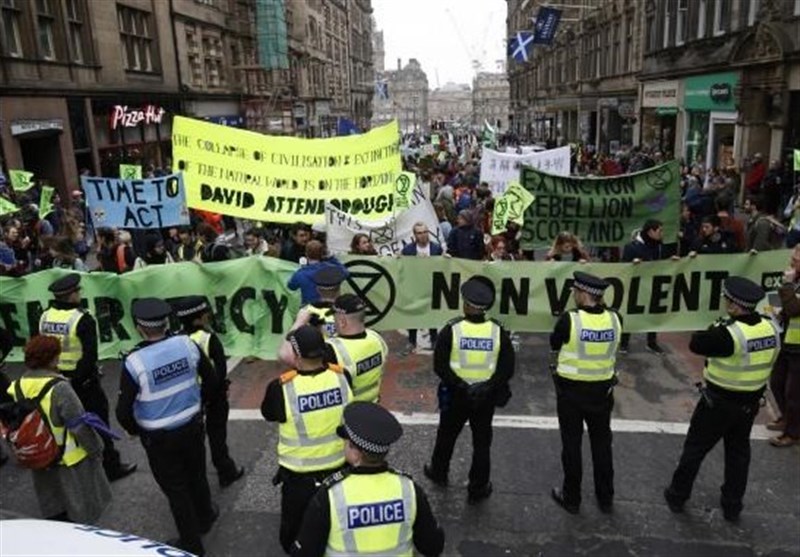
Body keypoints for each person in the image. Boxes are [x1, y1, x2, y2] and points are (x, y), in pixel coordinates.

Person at [663, 277, 780, 522]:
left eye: (727, 299)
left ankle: (677, 495)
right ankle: (732, 505)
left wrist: (714, 326)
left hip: (718, 402)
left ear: (735, 306)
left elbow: (696, 343)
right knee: (738, 454)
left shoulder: (728, 333)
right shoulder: (771, 327)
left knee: (695, 450)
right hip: (749, 403)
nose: (725, 302)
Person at [116, 298, 220, 555]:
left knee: (176, 489)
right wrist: (200, 404)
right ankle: (205, 516)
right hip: (192, 425)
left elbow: (122, 411)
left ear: (139, 328)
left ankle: (192, 543)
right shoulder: (188, 344)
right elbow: (212, 380)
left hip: (159, 438)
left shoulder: (134, 362)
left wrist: (135, 430)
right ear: (166, 322)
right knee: (196, 473)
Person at [291, 401, 445, 557]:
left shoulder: (330, 495)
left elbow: (304, 553)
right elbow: (433, 546)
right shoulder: (409, 490)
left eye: (346, 441)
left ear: (356, 452)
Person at [261, 325, 353, 554]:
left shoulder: (281, 387)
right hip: (339, 470)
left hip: (299, 477)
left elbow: (269, 414)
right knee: (335, 524)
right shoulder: (342, 376)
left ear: (296, 354)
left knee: (294, 532)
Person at [423, 277, 515, 503]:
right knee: (482, 443)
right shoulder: (497, 331)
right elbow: (507, 368)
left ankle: (439, 472)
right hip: (485, 398)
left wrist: (461, 385)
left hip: (456, 396)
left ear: (466, 304)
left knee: (446, 436)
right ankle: (478, 487)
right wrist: (487, 387)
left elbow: (440, 366)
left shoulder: (452, 329)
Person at [39, 273, 136, 482]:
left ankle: (83, 467)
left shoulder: (45, 316)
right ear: (71, 295)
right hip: (83, 383)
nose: (80, 294)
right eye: (78, 291)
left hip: (55, 380)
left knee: (68, 425)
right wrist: (77, 378)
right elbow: (89, 356)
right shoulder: (82, 318)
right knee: (98, 423)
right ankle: (111, 466)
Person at [5, 335, 111, 522]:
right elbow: (78, 425)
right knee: (81, 508)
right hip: (68, 458)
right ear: (52, 359)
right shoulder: (60, 387)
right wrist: (96, 449)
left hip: (40, 455)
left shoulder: (18, 386)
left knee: (55, 506)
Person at [549, 271, 621, 514]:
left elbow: (554, 343)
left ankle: (572, 498)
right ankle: (606, 497)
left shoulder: (570, 319)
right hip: (602, 392)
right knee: (602, 445)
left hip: (572, 392)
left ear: (583, 294)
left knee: (572, 445)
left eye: (575, 291)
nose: (573, 295)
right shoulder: (615, 318)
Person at [174, 296, 245, 486]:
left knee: (193, 439)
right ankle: (225, 470)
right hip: (213, 395)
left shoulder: (175, 339)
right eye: (206, 314)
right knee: (217, 434)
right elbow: (220, 371)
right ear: (199, 318)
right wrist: (221, 388)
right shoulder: (209, 338)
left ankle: (193, 477)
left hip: (188, 398)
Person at [620, 219, 675, 355]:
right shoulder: (631, 247)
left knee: (654, 314)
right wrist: (632, 264)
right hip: (635, 286)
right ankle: (624, 342)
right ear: (650, 231)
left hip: (654, 285)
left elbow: (663, 262)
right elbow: (623, 267)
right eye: (659, 231)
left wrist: (672, 261)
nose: (662, 234)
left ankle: (652, 342)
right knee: (631, 313)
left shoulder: (660, 246)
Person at [325, 294, 389, 403]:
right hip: (373, 404)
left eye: (334, 317)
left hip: (350, 412)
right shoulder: (377, 338)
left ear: (342, 322)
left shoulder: (332, 349)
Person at [768, 245, 800, 447]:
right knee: (777, 383)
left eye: (797, 255)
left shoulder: (791, 281)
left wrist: (787, 285)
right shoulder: (795, 279)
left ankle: (793, 433)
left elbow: (795, 308)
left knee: (794, 393)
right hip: (788, 341)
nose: (792, 258)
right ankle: (787, 418)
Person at [401, 222, 443, 354]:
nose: (423, 235)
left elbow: (442, 268)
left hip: (431, 286)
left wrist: (446, 260)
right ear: (415, 235)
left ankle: (434, 340)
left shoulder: (436, 249)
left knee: (431, 314)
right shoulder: (408, 250)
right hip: (415, 287)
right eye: (419, 233)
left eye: (425, 232)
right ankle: (412, 341)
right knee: (414, 314)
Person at [287, 240, 348, 306]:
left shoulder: (301, 273)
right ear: (322, 253)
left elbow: (291, 286)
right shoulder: (331, 269)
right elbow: (345, 272)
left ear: (306, 254)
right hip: (329, 306)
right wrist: (331, 258)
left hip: (309, 309)